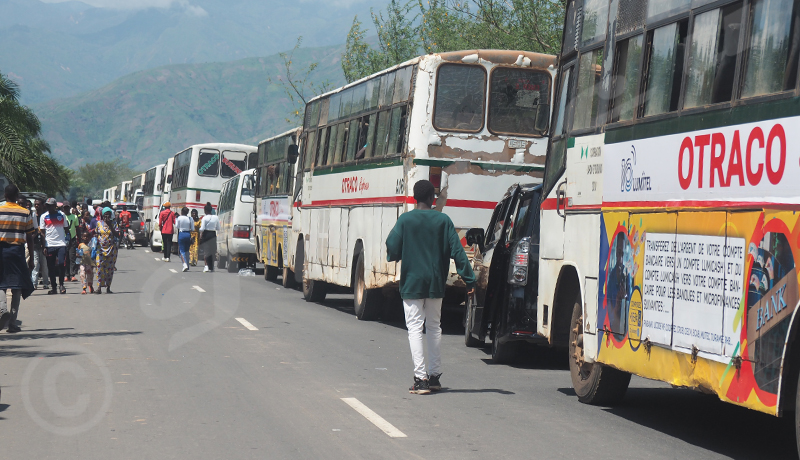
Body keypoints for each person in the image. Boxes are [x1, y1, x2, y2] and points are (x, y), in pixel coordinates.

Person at [385, 180, 476, 395]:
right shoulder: (443, 221)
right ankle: (434, 377)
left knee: (415, 328)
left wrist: (399, 254)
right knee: (434, 327)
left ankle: (420, 379)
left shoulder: (405, 220)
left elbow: (391, 245)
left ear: (416, 198)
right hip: (435, 282)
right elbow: (458, 252)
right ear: (431, 198)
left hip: (412, 282)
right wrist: (469, 280)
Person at [0, 185, 36, 333]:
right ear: (17, 196)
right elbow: (29, 237)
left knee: (1, 282)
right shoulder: (25, 212)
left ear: (5, 195)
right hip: (17, 251)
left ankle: (2, 309)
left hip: (1, 250)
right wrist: (31, 258)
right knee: (17, 286)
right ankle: (13, 323)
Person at [40, 197, 69, 295]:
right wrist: (44, 246)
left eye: (50, 206)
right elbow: (42, 233)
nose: (48, 207)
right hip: (49, 245)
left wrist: (67, 240)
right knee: (51, 267)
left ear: (54, 206)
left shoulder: (62, 215)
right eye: (47, 205)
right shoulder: (43, 216)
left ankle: (61, 284)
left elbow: (66, 228)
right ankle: (54, 287)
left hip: (61, 244)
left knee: (61, 264)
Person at [94, 207, 119, 294]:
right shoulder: (98, 223)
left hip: (112, 249)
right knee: (99, 266)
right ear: (102, 215)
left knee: (109, 268)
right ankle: (99, 287)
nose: (107, 216)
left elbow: (117, 234)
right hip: (100, 249)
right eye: (105, 214)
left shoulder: (114, 223)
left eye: (108, 214)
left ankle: (108, 287)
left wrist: (110, 225)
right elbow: (96, 233)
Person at [30, 198, 49, 290]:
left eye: (38, 204)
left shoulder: (45, 216)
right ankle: (34, 283)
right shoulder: (33, 216)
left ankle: (46, 282)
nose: (36, 206)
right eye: (35, 204)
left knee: (44, 265)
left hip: (45, 244)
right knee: (35, 264)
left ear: (43, 205)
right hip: (34, 244)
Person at [199, 202, 219, 273]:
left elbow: (202, 228)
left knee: (206, 251)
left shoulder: (204, 218)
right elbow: (218, 228)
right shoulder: (216, 217)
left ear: (205, 211)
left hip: (206, 234)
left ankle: (206, 266)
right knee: (212, 251)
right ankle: (212, 267)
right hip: (213, 234)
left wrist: (199, 231)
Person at [64, 204, 79, 281]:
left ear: (69, 208)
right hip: (63, 239)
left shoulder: (74, 217)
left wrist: (79, 240)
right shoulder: (62, 217)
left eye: (67, 208)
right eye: (64, 208)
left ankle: (72, 274)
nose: (66, 209)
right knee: (65, 258)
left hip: (72, 239)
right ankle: (66, 275)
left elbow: (77, 228)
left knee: (72, 257)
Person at [175, 207, 193, 272]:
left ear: (182, 212)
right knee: (187, 250)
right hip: (188, 234)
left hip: (182, 233)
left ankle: (184, 264)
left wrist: (176, 219)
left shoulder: (179, 218)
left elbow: (177, 226)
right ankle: (187, 265)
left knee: (181, 251)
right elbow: (192, 228)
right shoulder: (190, 219)